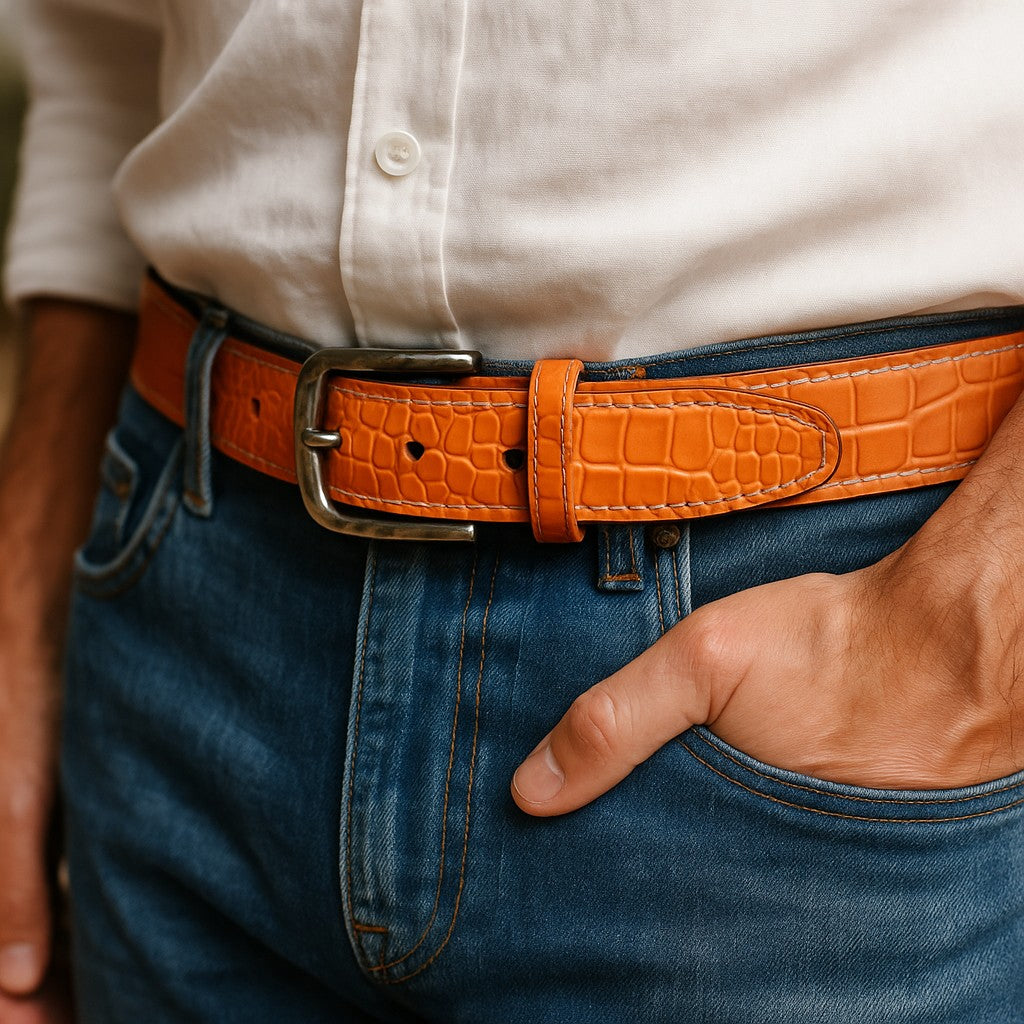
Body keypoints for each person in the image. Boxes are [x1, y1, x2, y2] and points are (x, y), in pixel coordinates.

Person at [2, 2, 1024, 1021]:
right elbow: (108, 48)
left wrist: (978, 613)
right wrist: (23, 593)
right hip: (185, 617)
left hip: (814, 634)